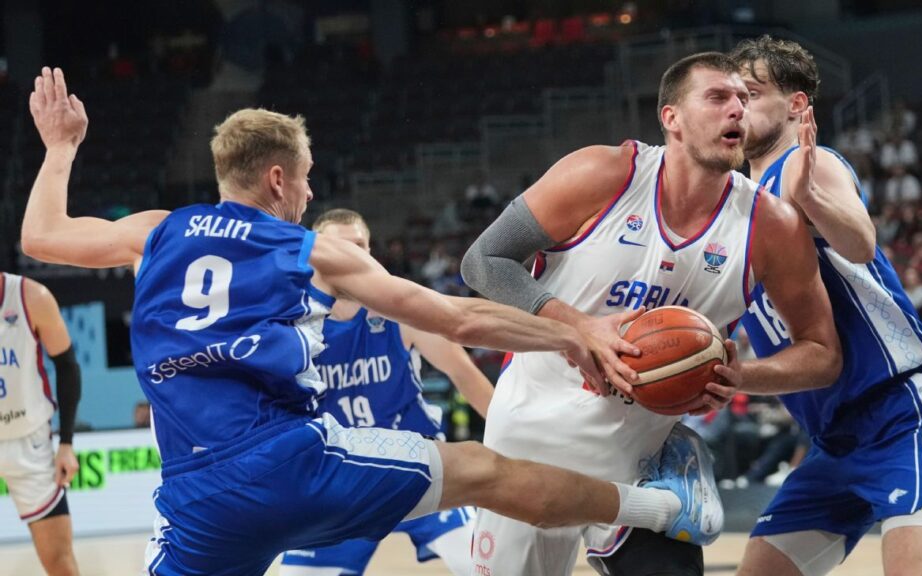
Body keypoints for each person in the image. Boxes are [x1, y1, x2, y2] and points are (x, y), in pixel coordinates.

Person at [22, 67, 699, 575]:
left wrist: (59, 147)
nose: (313, 193)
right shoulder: (307, 249)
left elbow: (43, 237)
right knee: (487, 472)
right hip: (294, 465)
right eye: (309, 178)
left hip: (197, 498)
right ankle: (665, 510)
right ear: (279, 179)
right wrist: (573, 329)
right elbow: (454, 317)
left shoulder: (157, 232)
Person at [461, 52, 841, 576]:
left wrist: (740, 377)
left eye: (744, 99)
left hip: (639, 460)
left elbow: (822, 353)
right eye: (717, 98)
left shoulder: (771, 226)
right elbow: (483, 261)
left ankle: (666, 500)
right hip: (530, 434)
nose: (737, 110)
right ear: (672, 118)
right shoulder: (605, 173)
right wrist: (579, 328)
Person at [730, 35, 922, 576]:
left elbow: (860, 241)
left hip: (903, 413)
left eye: (751, 93)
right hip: (831, 441)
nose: (736, 108)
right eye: (729, 97)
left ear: (797, 104)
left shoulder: (806, 166)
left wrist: (810, 198)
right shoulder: (732, 212)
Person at [280, 208, 493, 576]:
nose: (353, 254)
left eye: (360, 245)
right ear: (315, 253)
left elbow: (463, 372)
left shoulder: (398, 310)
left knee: (485, 563)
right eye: (340, 246)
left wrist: (514, 435)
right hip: (339, 475)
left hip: (415, 462)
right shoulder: (293, 324)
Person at [0, 272, 82, 576]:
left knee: (59, 562)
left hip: (29, 441)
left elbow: (67, 366)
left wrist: (66, 443)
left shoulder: (32, 296)